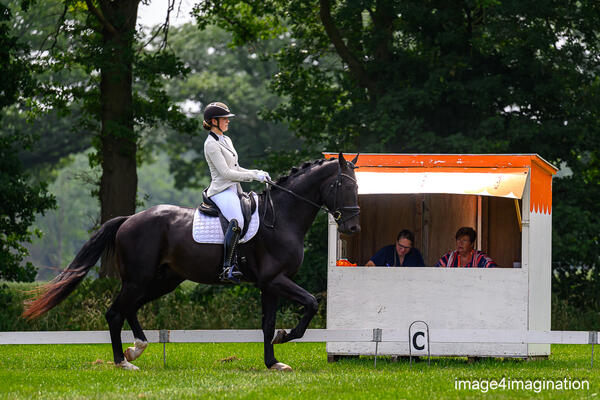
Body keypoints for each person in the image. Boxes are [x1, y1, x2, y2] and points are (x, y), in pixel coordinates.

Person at [203, 102, 270, 282]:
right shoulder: (211, 144)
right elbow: (226, 173)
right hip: (221, 190)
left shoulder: (226, 140)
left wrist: (256, 172)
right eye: (224, 119)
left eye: (227, 118)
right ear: (214, 121)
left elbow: (236, 168)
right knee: (237, 220)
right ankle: (227, 267)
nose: (228, 121)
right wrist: (253, 177)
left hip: (234, 188)